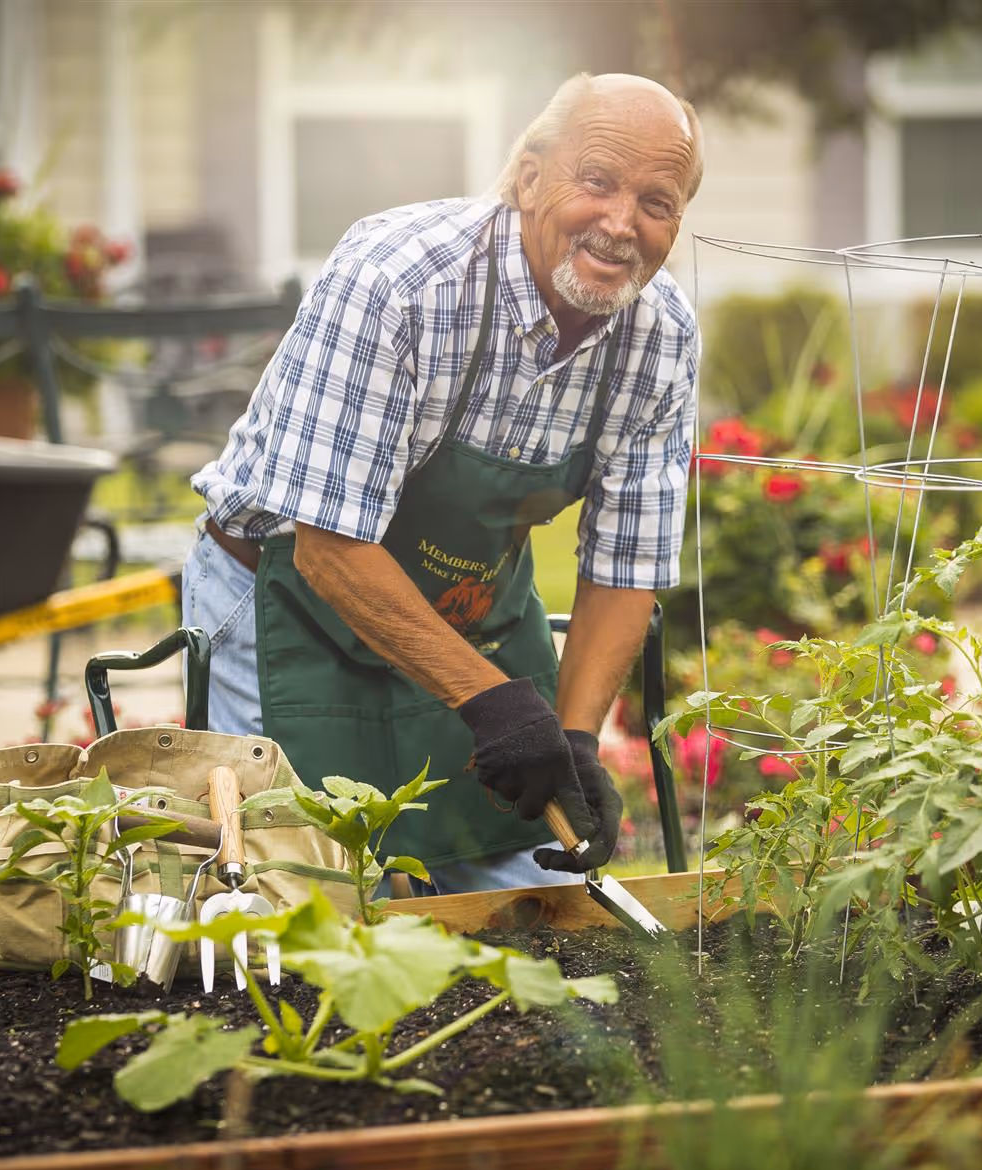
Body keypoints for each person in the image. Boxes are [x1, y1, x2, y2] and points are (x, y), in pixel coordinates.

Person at [184, 72, 703, 892]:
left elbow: (626, 569)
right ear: (529, 176)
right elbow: (329, 549)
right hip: (286, 597)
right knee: (301, 901)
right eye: (597, 182)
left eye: (657, 201)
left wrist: (568, 741)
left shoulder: (660, 333)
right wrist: (495, 706)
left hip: (471, 619)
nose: (620, 224)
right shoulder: (400, 280)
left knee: (537, 906)